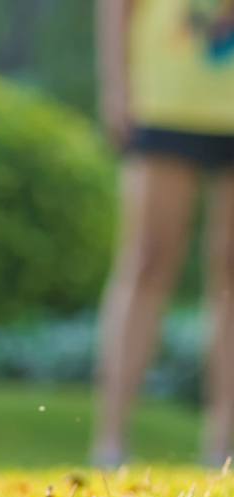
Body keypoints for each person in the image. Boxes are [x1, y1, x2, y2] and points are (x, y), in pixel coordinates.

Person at [94, 0, 234, 467]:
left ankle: (222, 447)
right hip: (164, 99)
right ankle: (111, 440)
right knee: (149, 259)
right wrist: (117, 85)